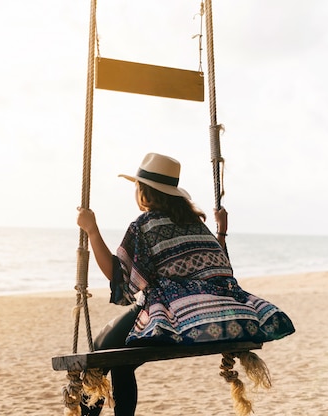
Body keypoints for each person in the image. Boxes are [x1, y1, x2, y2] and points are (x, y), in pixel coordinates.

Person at [76, 153, 295, 416]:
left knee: (98, 355)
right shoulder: (196, 225)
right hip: (208, 317)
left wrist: (92, 230)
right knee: (121, 362)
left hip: (172, 320)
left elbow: (117, 276)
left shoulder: (145, 225)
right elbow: (218, 269)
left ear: (144, 191)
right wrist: (221, 232)